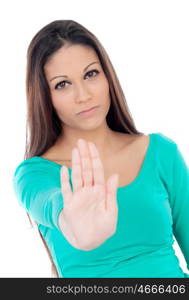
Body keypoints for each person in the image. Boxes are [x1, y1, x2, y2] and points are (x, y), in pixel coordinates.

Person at [12, 19, 189, 278]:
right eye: (62, 84)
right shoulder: (34, 175)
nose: (83, 95)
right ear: (45, 96)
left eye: (90, 74)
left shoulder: (160, 153)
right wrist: (73, 226)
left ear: (107, 76)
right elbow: (52, 205)